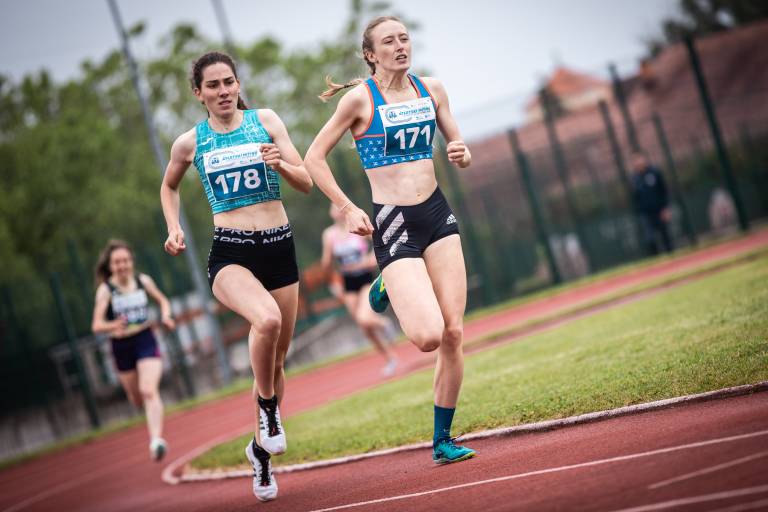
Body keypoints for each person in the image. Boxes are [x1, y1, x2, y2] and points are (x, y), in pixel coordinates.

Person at [305, 16, 476, 465]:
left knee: (454, 332)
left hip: (436, 214)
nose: (400, 46)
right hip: (394, 222)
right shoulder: (361, 100)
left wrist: (462, 153)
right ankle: (388, 282)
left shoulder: (431, 89)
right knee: (428, 337)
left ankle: (442, 440)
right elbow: (313, 158)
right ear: (370, 54)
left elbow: (459, 148)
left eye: (404, 38)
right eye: (388, 41)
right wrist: (347, 207)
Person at [160, 51, 312, 502]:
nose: (223, 91)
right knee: (266, 320)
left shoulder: (265, 121)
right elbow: (169, 186)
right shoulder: (190, 142)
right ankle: (267, 407)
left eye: (229, 82)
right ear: (199, 93)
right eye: (213, 85)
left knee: (277, 360)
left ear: (238, 84)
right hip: (231, 252)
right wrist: (173, 226)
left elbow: (305, 181)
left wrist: (280, 164)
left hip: (279, 246)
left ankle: (259, 453)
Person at [91, 239, 175, 462]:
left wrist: (166, 316)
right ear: (110, 266)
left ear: (132, 262)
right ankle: (142, 406)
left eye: (126, 261)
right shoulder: (106, 290)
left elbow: (163, 301)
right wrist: (112, 325)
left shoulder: (142, 281)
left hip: (145, 339)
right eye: (117, 262)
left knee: (149, 390)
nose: (122, 266)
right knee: (137, 398)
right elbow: (96, 325)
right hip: (121, 346)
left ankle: (156, 440)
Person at [321, 204, 398, 376]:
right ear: (330, 212)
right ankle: (390, 358)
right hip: (348, 283)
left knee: (364, 318)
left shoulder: (356, 225)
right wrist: (333, 282)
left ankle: (384, 323)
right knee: (365, 328)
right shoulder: (329, 234)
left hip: (365, 279)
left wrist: (371, 259)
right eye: (333, 207)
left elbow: (380, 242)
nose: (336, 210)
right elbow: (326, 263)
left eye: (339, 207)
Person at [630, 151, 674, 255]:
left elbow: (663, 190)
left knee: (665, 234)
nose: (638, 162)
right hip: (645, 213)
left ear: (644, 159)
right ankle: (656, 258)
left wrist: (665, 208)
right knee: (649, 237)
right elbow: (636, 197)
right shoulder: (634, 178)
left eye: (639, 159)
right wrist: (639, 212)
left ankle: (672, 256)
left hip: (659, 209)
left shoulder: (654, 172)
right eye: (635, 160)